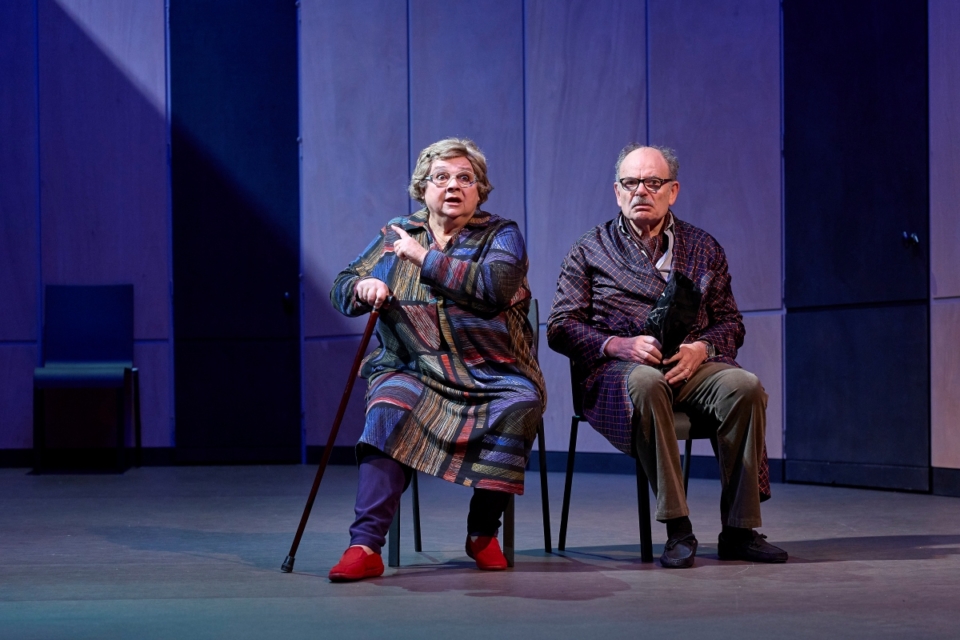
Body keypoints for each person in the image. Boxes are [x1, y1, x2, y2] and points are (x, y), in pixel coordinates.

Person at [546, 144, 787, 568]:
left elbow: (732, 322)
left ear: (672, 191)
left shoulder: (703, 247)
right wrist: (616, 345)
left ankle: (740, 529)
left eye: (653, 182)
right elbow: (560, 325)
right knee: (646, 381)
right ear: (616, 192)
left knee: (745, 387)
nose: (642, 190)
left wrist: (703, 348)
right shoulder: (589, 250)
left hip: (690, 366)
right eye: (631, 183)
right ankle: (678, 527)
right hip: (619, 372)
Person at [327, 137, 546, 581]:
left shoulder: (500, 234)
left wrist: (424, 258)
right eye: (441, 177)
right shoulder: (397, 232)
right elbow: (342, 285)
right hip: (413, 367)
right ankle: (365, 545)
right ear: (422, 188)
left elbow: (494, 289)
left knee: (522, 402)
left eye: (465, 178)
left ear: (480, 190)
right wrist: (361, 288)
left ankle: (482, 532)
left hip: (491, 370)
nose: (453, 186)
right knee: (388, 407)